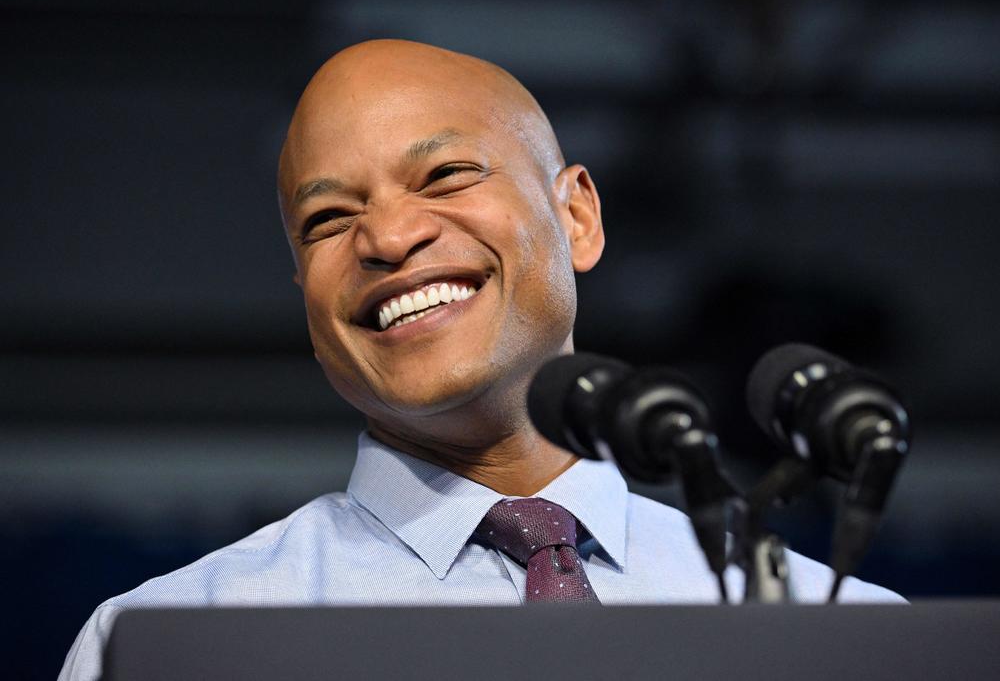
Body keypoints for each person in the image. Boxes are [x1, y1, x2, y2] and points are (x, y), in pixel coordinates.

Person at [59, 39, 901, 681]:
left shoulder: (849, 636)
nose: (387, 238)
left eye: (446, 174)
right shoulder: (169, 643)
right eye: (326, 221)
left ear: (576, 217)